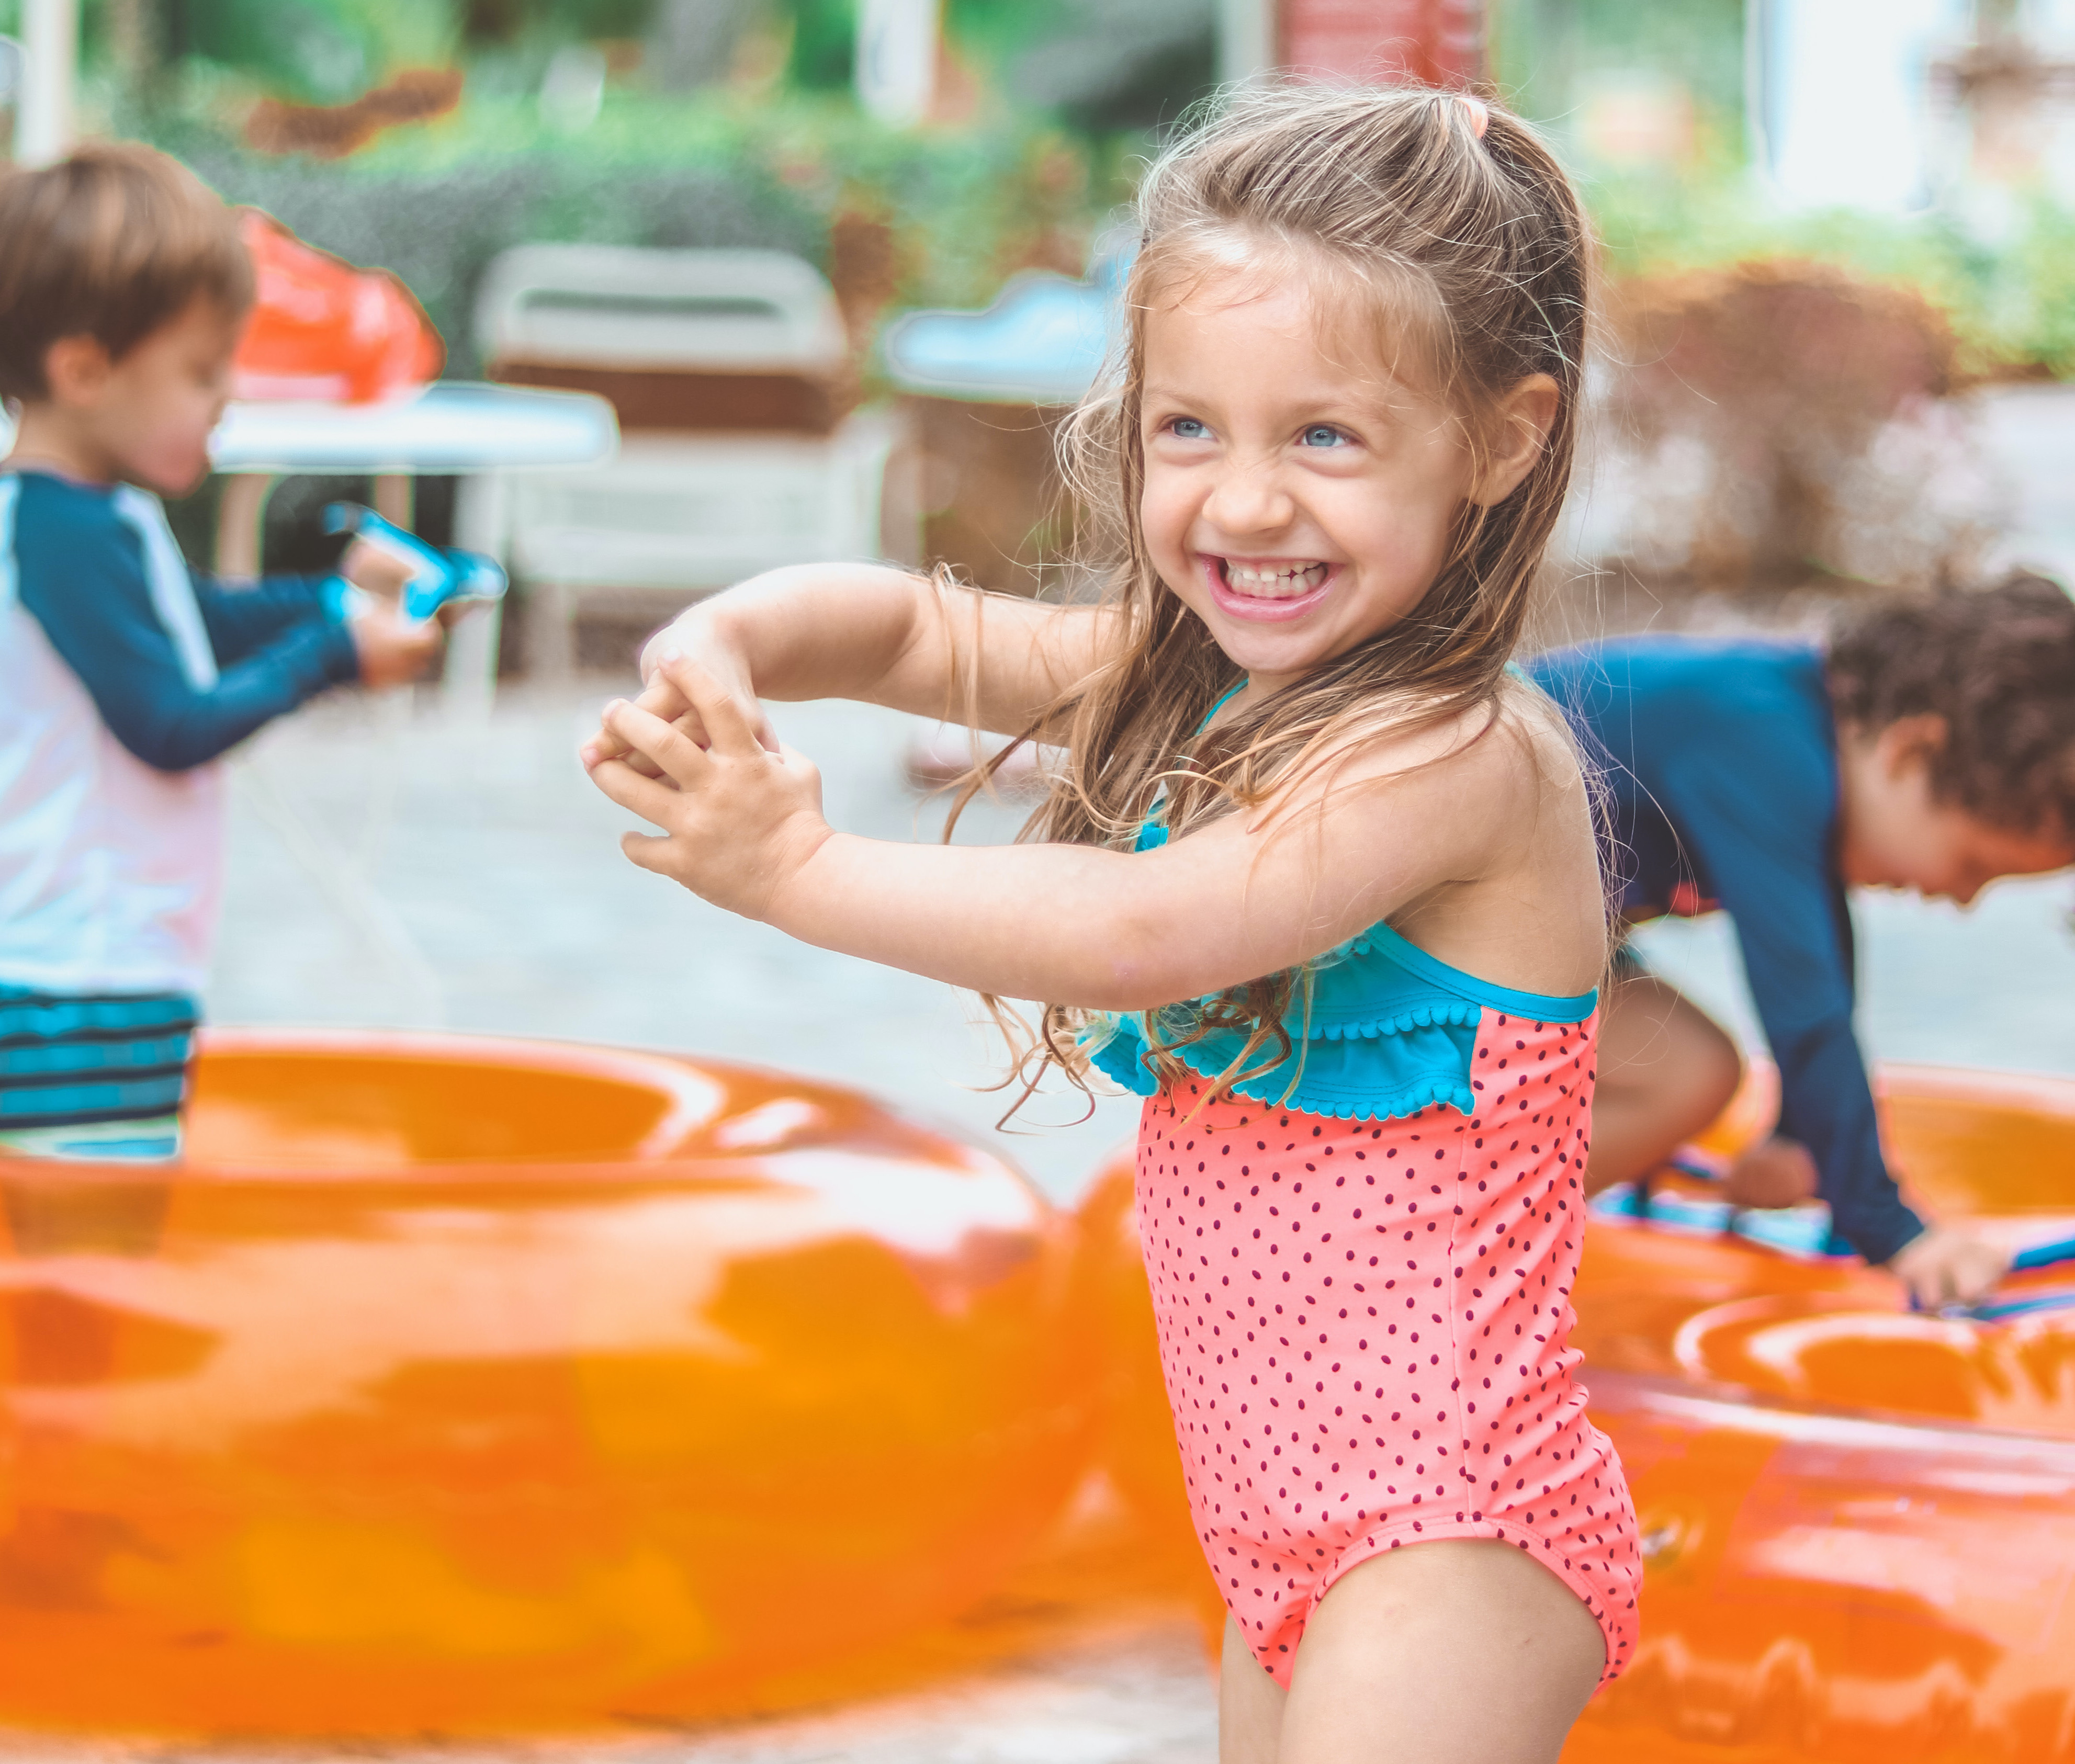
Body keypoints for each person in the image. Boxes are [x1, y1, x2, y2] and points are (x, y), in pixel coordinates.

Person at [583, 86, 1637, 1764]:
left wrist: (793, 868)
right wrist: (729, 636)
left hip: (1446, 1523)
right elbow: (918, 634)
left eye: (1323, 438)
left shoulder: (1455, 754)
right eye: (1187, 428)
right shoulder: (1195, 676)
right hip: (1273, 1523)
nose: (1242, 502)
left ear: (1500, 442)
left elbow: (1146, 927)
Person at [0, 143, 440, 1162]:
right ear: (83, 370)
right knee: (90, 1249)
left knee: (73, 1251)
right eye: (201, 372)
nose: (230, 396)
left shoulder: (83, 515)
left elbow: (187, 618)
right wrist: (335, 653)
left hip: (87, 974)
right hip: (79, 989)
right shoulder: (64, 534)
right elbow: (170, 726)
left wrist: (332, 597)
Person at [1532, 583, 2075, 1309]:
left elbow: (1822, 959)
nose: (1962, 898)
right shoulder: (1757, 740)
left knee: (1687, 1070)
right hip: (1409, 921)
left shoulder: (1792, 726)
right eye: (1973, 865)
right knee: (1691, 1071)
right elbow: (1805, 1003)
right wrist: (1896, 1235)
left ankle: (1473, 1235)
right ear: (1912, 750)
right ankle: (1428, 1250)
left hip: (1508, 937)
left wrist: (1796, 1133)